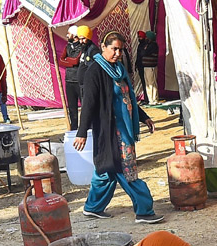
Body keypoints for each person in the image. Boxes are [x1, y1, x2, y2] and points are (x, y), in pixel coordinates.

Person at [74, 30, 163, 223]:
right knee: (126, 170)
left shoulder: (119, 70)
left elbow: (127, 98)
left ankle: (93, 207)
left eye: (120, 50)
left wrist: (143, 117)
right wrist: (82, 132)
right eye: (113, 49)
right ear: (103, 47)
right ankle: (144, 210)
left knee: (106, 172)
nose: (117, 54)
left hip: (124, 128)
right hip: (111, 131)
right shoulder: (95, 71)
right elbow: (88, 104)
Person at [59, 25, 99, 131]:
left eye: (83, 38)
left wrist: (68, 61)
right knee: (72, 109)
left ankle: (87, 128)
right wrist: (69, 61)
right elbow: (61, 60)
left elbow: (76, 61)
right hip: (69, 80)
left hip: (80, 83)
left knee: (86, 107)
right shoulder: (68, 47)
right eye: (80, 38)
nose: (67, 35)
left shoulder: (86, 48)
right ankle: (74, 129)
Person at [135, 30, 160, 104]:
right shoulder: (147, 45)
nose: (146, 38)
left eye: (147, 37)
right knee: (148, 84)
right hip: (146, 67)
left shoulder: (153, 45)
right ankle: (150, 99)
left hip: (150, 67)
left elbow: (144, 53)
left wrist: (144, 50)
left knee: (151, 83)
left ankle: (154, 100)